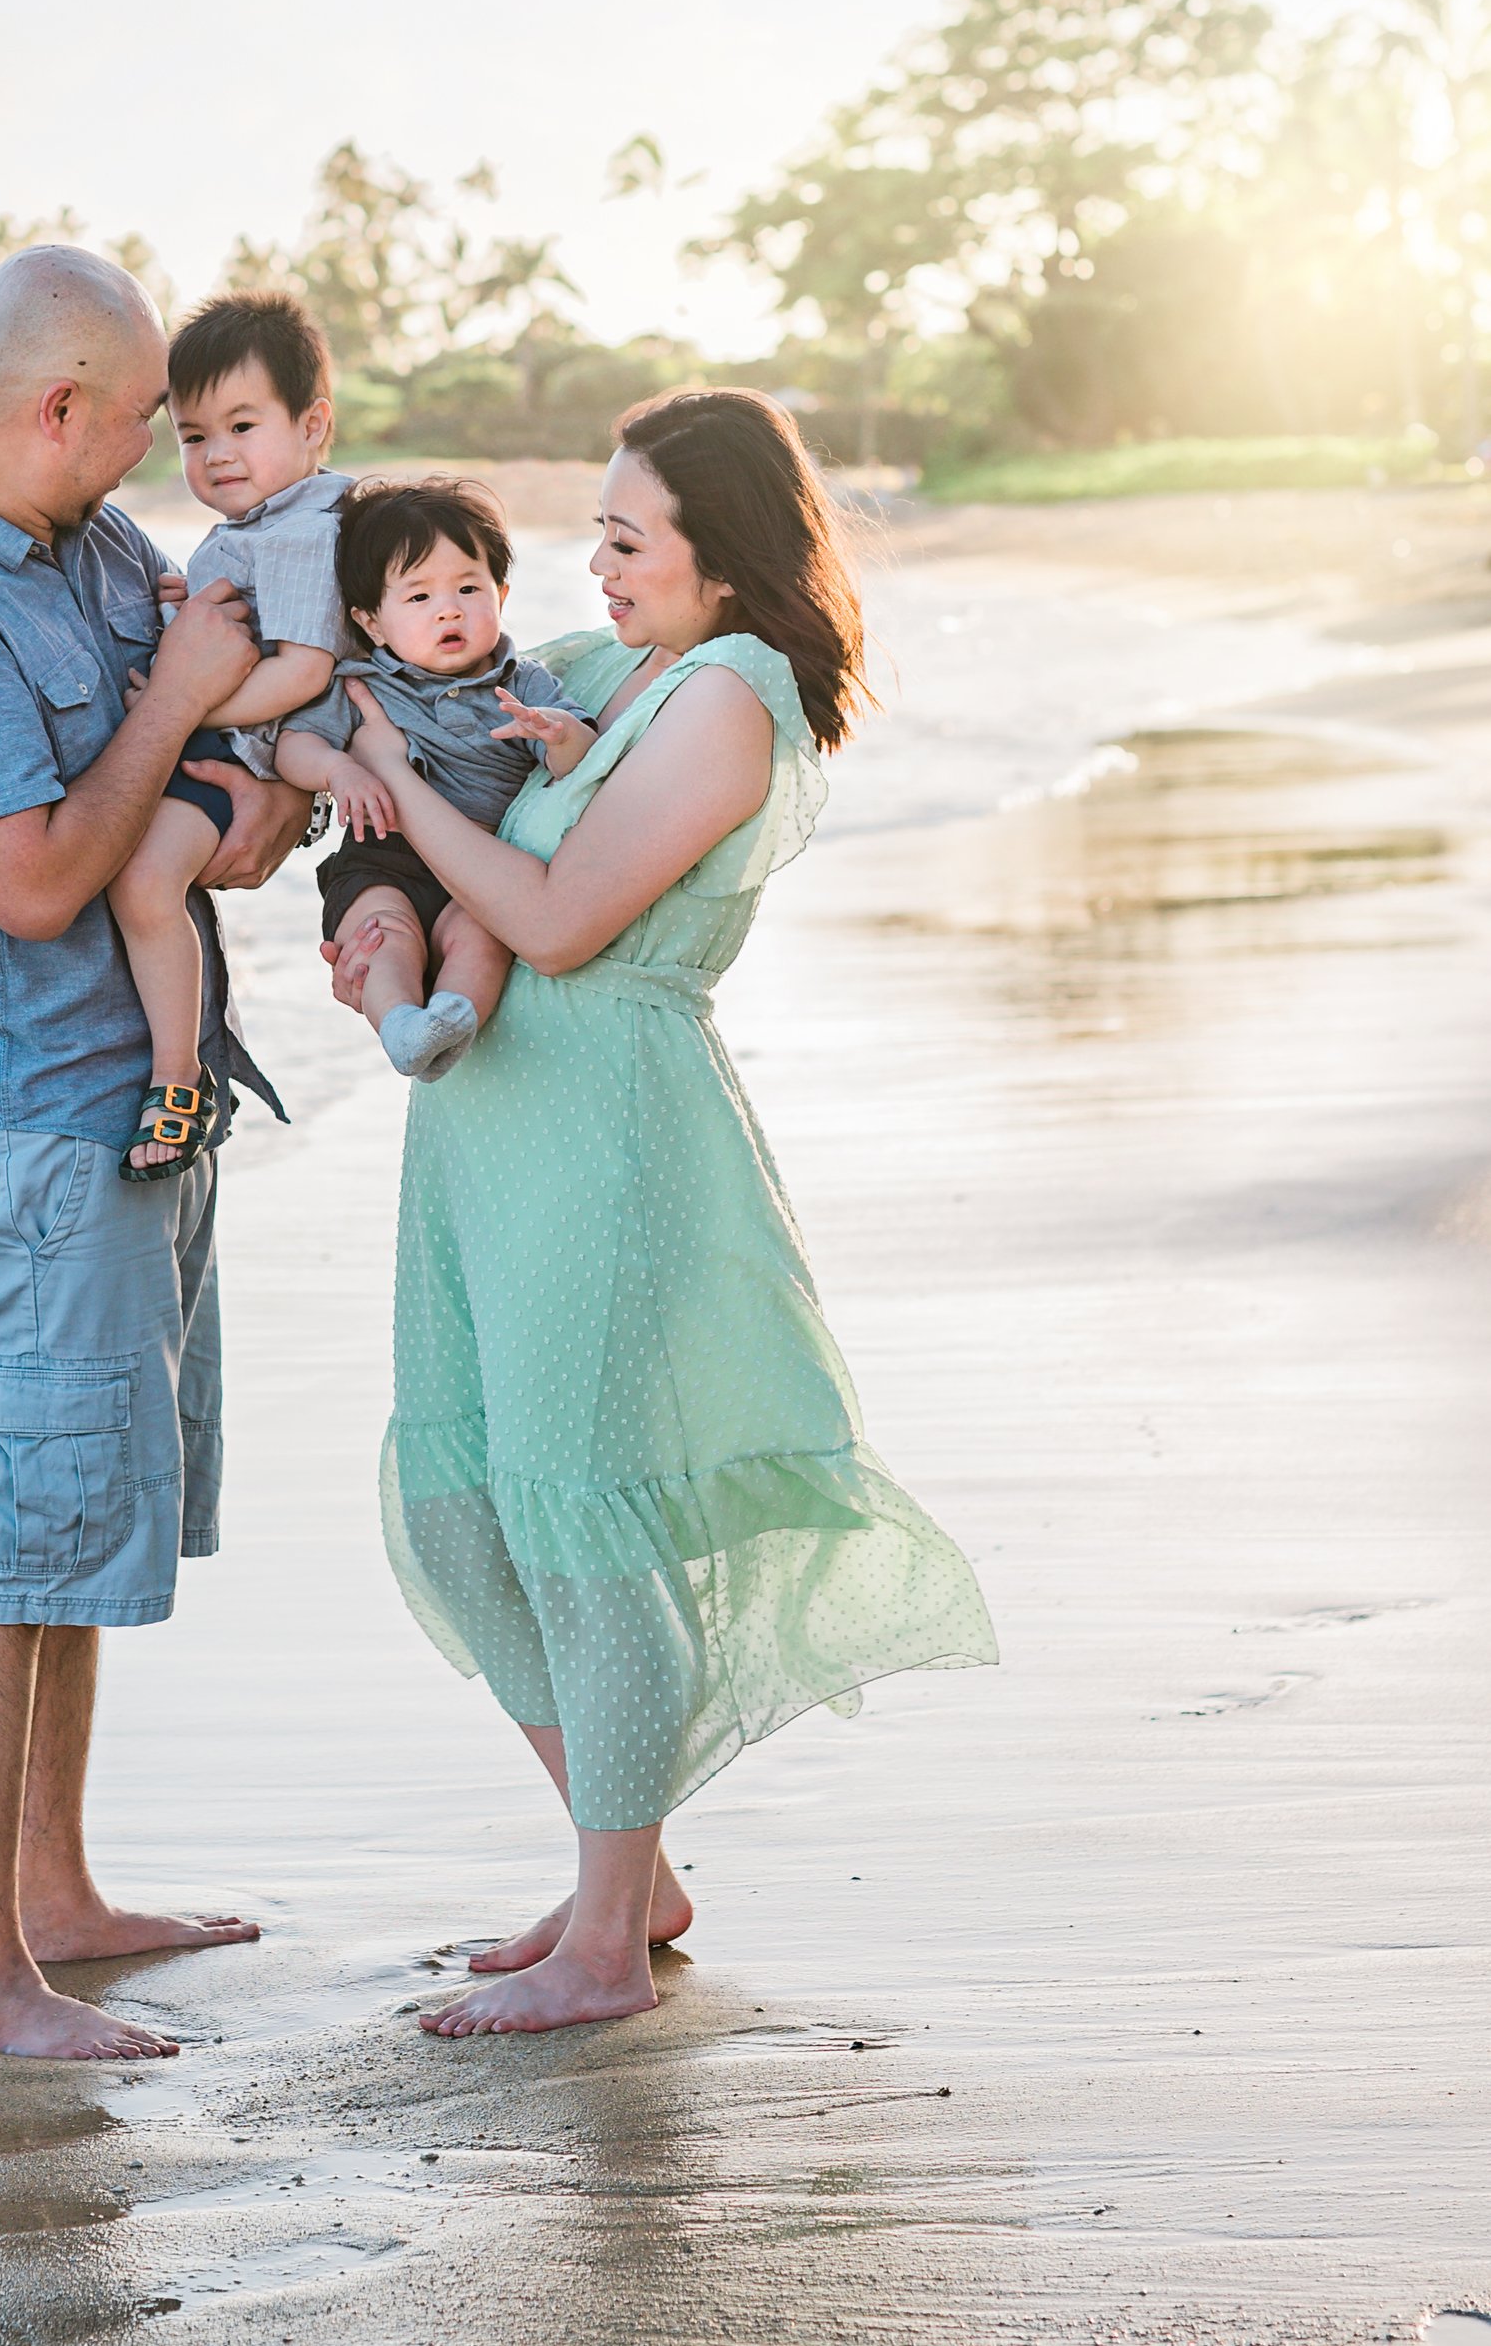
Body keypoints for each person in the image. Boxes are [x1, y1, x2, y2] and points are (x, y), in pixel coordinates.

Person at [328, 389, 998, 2037]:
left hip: (603, 1140)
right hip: (487, 1137)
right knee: (471, 1511)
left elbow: (555, 916)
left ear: (722, 555)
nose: (597, 562)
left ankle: (609, 1939)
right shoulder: (610, 668)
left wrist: (397, 802)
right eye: (598, 532)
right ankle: (626, 1869)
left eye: (630, 536)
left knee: (580, 1521)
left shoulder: (729, 699)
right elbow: (408, 654)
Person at [0, 245, 313, 2060]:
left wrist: (192, 759)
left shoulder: (95, 554)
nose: (153, 462)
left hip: (143, 1101)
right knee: (4, 1529)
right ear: (57, 406)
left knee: (80, 1515)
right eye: (132, 426)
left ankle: (57, 1896)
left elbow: (244, 822)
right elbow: (36, 883)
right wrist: (181, 727)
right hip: (20, 1116)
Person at [107, 292, 353, 1174]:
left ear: (313, 423)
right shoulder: (270, 523)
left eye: (243, 425)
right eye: (193, 435)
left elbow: (305, 669)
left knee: (144, 884)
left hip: (245, 747)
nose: (216, 455)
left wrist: (180, 700)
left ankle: (178, 1081)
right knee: (145, 882)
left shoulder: (303, 530)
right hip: (242, 742)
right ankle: (186, 1067)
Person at [272, 476, 592, 1082]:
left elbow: (579, 756)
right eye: (418, 598)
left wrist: (556, 734)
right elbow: (293, 745)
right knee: (380, 936)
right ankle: (401, 1027)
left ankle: (454, 1017)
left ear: (501, 594)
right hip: (380, 859)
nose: (449, 608)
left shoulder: (523, 684)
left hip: (480, 869)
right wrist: (338, 768)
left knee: (483, 938)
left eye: (469, 588)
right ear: (371, 621)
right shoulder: (363, 683)